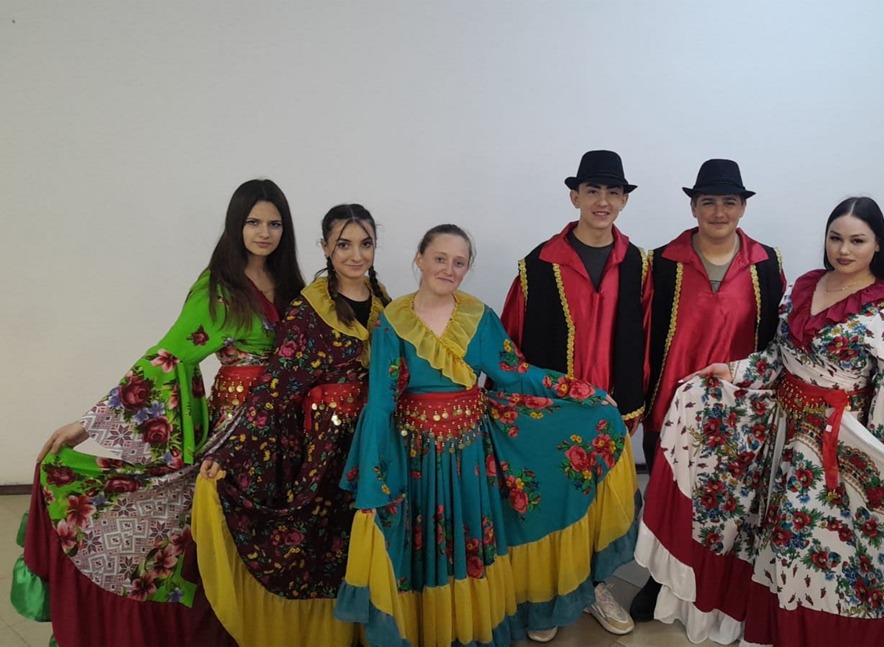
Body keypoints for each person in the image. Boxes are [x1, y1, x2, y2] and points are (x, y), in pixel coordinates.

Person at [637, 197, 884, 646]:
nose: (844, 250)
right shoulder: (802, 285)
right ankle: (753, 624)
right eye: (836, 238)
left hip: (830, 444)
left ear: (877, 245)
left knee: (797, 546)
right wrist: (732, 371)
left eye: (857, 241)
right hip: (778, 428)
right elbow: (777, 358)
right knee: (756, 531)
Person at [14, 179, 304, 647]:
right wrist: (88, 424)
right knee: (218, 531)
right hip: (237, 429)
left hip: (287, 429)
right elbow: (166, 357)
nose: (264, 232)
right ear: (236, 225)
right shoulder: (219, 288)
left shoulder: (294, 287)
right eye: (254, 222)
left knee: (277, 535)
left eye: (274, 223)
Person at [336, 225, 638, 646]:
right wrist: (373, 475)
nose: (449, 269)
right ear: (420, 259)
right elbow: (382, 402)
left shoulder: (478, 316)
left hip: (469, 453)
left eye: (459, 263)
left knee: (468, 542)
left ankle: (469, 626)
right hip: (416, 454)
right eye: (440, 258)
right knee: (424, 547)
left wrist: (582, 393)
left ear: (467, 269)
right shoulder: (393, 321)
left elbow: (516, 375)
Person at [193, 204, 390, 647]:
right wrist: (229, 451)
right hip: (328, 448)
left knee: (368, 534)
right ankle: (326, 635)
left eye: (365, 243)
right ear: (325, 248)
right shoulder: (309, 309)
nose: (356, 255)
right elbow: (275, 387)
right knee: (325, 541)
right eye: (344, 244)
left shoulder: (384, 301)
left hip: (373, 440)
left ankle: (367, 630)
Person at [629, 159, 785, 622]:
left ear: (743, 208)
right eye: (709, 202)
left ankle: (717, 584)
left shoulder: (766, 262)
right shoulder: (660, 262)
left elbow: (775, 339)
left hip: (739, 408)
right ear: (693, 206)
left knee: (728, 499)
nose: (719, 212)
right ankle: (658, 578)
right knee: (667, 493)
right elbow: (640, 333)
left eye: (729, 202)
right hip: (672, 401)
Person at [500, 149, 647, 639]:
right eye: (592, 191)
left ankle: (595, 588)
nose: (602, 201)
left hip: (610, 408)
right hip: (555, 413)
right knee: (556, 504)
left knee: (602, 503)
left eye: (613, 192)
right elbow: (512, 343)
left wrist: (636, 397)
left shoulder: (638, 264)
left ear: (624, 200)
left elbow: (647, 335)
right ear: (574, 197)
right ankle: (550, 597)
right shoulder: (539, 265)